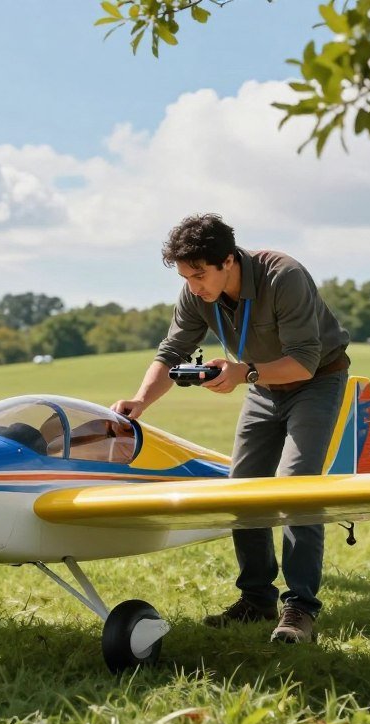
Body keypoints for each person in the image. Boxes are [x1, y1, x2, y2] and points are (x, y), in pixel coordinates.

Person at [112, 213, 350, 644]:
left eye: (200, 274)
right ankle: (257, 598)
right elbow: (171, 352)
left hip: (316, 381)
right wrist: (140, 401)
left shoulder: (285, 277)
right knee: (241, 488)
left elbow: (303, 361)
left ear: (228, 260)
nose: (193, 285)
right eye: (185, 276)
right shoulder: (195, 294)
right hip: (260, 386)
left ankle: (299, 609)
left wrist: (244, 373)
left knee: (296, 487)